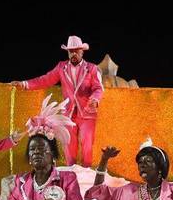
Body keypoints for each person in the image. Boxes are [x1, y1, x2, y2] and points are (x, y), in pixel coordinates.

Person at [11, 36, 104, 166]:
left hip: (87, 113)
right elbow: (45, 80)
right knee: (69, 144)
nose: (73, 53)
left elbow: (98, 88)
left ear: (82, 51)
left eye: (76, 50)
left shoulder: (92, 68)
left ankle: (87, 173)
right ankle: (71, 171)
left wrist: (94, 99)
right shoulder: (62, 67)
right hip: (69, 114)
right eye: (71, 51)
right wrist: (24, 84)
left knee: (87, 144)